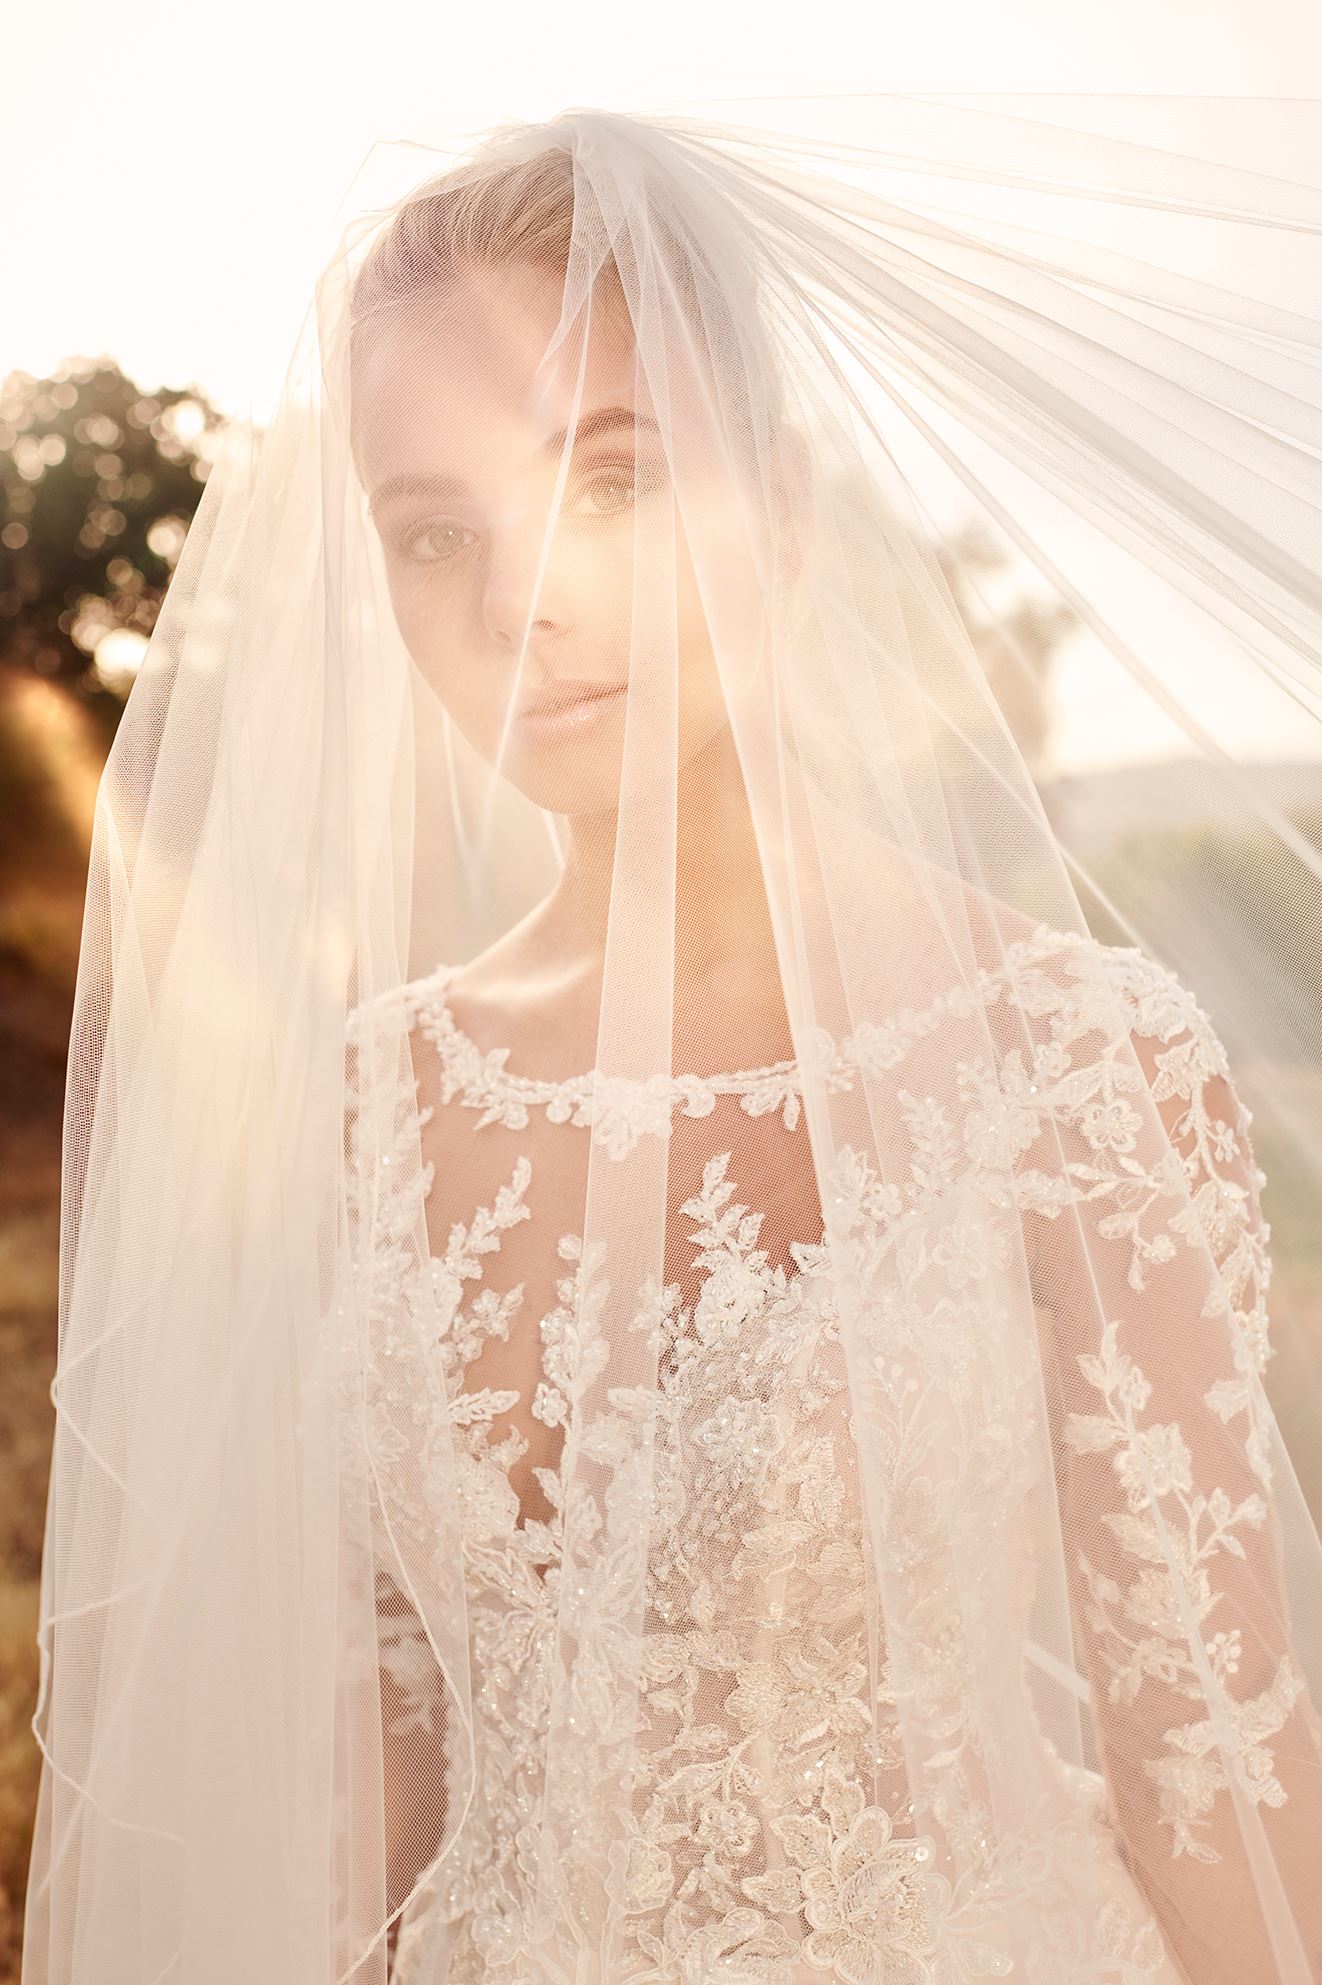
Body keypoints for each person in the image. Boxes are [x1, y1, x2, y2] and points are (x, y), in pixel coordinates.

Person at [23, 102, 1322, 1984]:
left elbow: (1219, 1773)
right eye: (433, 531)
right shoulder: (373, 1101)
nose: (516, 598)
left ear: (775, 515)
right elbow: (367, 1769)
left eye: (606, 481)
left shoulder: (1073, 1058)